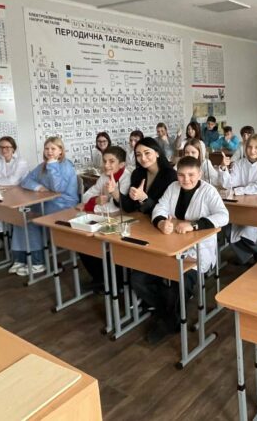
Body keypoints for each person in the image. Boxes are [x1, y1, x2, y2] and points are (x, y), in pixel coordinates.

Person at [133, 155, 228, 343]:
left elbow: (223, 216)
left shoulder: (208, 191)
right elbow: (159, 208)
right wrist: (161, 223)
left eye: (191, 175)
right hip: (170, 246)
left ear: (199, 174)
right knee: (138, 278)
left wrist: (194, 225)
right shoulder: (173, 187)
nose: (186, 179)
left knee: (180, 281)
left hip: (197, 251)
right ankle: (167, 311)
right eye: (181, 175)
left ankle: (169, 322)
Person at [9, 137, 78, 276]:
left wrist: (52, 165)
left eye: (53, 149)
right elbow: (26, 180)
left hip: (63, 205)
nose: (49, 152)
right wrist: (38, 187)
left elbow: (58, 188)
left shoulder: (66, 166)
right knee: (20, 217)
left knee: (31, 221)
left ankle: (37, 263)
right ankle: (20, 259)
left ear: (61, 151)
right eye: (47, 148)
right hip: (46, 203)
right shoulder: (42, 166)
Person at [219, 133, 257, 264]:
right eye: (250, 147)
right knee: (228, 232)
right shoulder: (239, 164)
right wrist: (223, 167)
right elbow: (228, 184)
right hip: (242, 206)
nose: (252, 151)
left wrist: (239, 190)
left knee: (247, 236)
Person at [79, 145, 127, 288]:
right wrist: (95, 201)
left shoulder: (126, 178)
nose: (106, 165)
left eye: (111, 161)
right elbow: (86, 196)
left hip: (122, 222)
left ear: (122, 164)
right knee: (84, 245)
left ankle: (114, 282)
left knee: (105, 248)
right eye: (104, 161)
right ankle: (101, 278)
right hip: (105, 219)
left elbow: (114, 208)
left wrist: (92, 205)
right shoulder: (103, 177)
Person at [120, 137, 177, 216]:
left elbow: (166, 210)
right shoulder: (137, 173)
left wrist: (144, 199)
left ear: (157, 153)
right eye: (138, 155)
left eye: (147, 153)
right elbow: (129, 207)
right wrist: (114, 191)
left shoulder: (170, 175)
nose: (143, 158)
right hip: (140, 218)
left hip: (160, 220)